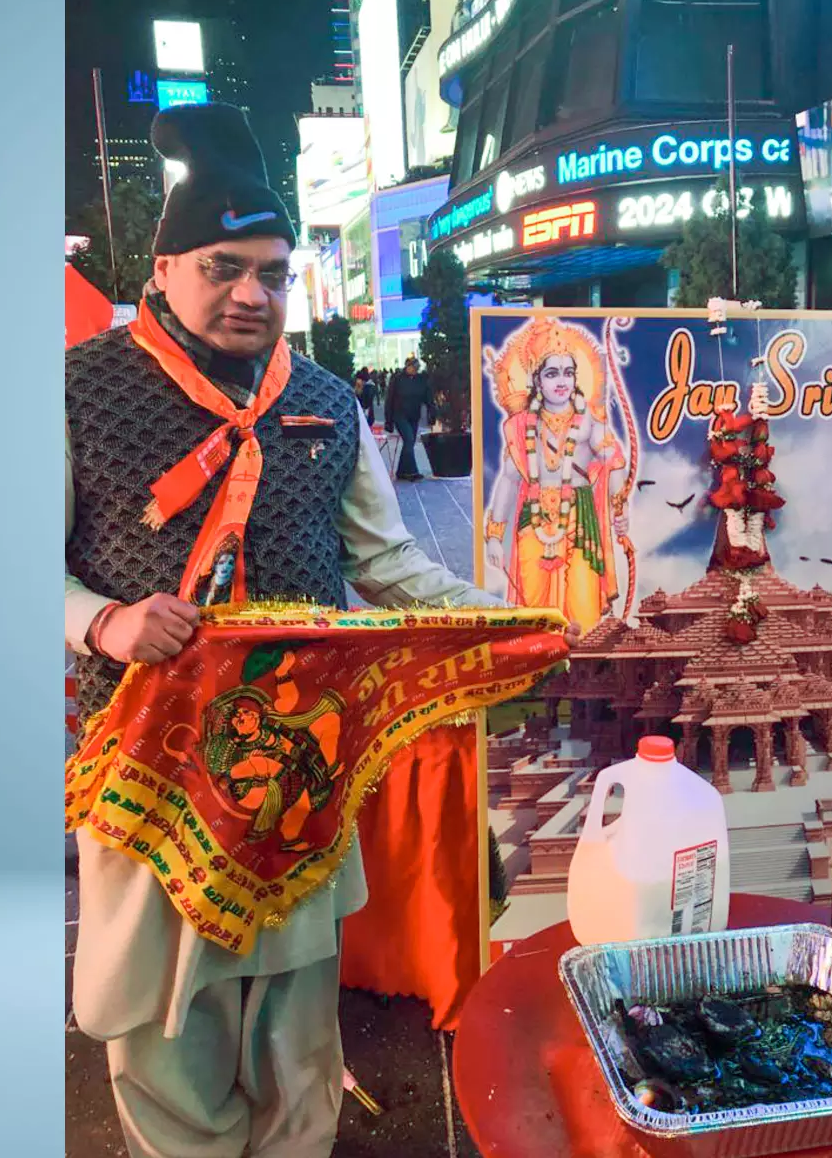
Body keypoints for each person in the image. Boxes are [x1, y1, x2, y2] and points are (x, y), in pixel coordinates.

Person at [65, 102, 503, 1158]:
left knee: (298, 1018)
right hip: (148, 768)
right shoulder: (78, 391)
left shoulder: (323, 400)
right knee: (167, 1025)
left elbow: (387, 564)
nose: (251, 294)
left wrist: (516, 621)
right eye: (222, 268)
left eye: (272, 271)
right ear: (163, 269)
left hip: (301, 762)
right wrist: (108, 620)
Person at [481, 317, 631, 634]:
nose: (561, 381)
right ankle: (541, 671)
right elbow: (508, 480)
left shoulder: (588, 419)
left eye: (568, 372)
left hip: (580, 518)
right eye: (551, 373)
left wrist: (619, 508)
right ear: (537, 380)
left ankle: (584, 675)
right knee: (534, 606)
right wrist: (494, 535)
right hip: (533, 521)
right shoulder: (522, 425)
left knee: (582, 602)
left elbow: (613, 462)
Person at [384, 355, 431, 481]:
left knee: (409, 443)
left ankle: (401, 472)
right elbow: (390, 400)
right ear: (407, 367)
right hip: (400, 415)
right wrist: (388, 420)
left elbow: (427, 397)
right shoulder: (398, 379)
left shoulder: (420, 380)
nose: (415, 370)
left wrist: (432, 412)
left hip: (414, 416)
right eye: (413, 367)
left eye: (417, 368)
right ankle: (412, 471)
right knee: (409, 440)